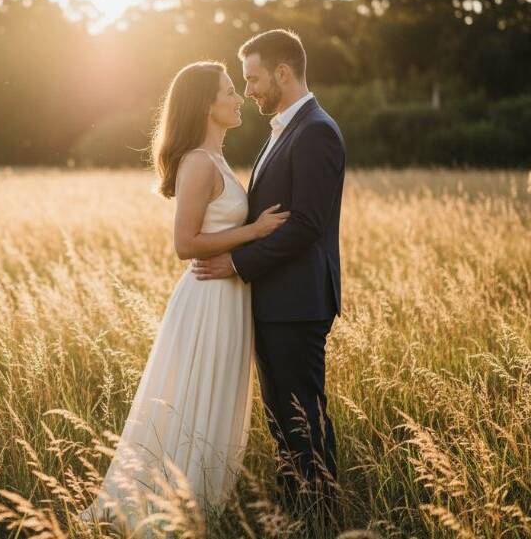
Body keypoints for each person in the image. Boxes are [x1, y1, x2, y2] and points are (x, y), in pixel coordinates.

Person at [77, 60, 289, 534]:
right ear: (205, 104)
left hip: (229, 297)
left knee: (216, 396)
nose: (238, 99)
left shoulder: (215, 161)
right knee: (195, 395)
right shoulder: (197, 162)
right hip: (207, 298)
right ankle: (175, 506)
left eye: (237, 90)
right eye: (229, 91)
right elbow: (185, 244)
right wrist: (254, 231)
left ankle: (200, 505)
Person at [192, 29, 346, 514]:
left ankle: (320, 514)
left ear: (283, 73)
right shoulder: (285, 128)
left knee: (302, 418)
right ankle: (297, 509)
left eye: (254, 79)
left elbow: (306, 224)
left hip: (298, 302)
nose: (250, 89)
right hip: (277, 300)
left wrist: (236, 263)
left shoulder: (316, 129)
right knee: (285, 418)